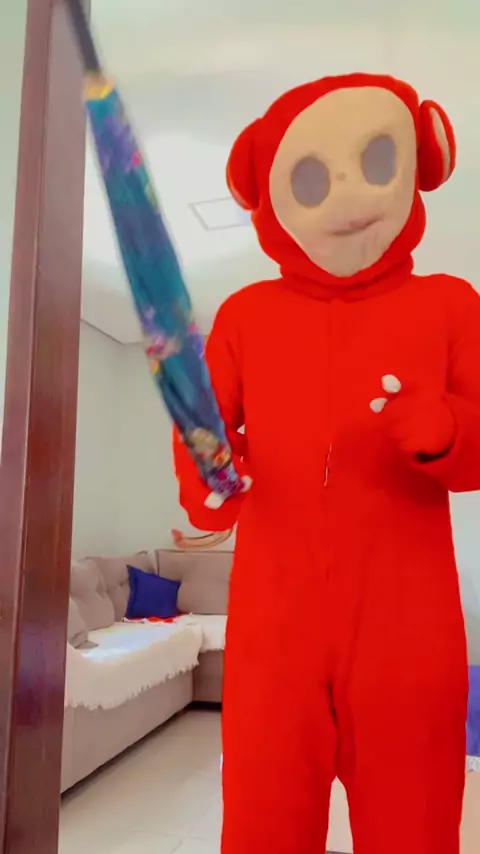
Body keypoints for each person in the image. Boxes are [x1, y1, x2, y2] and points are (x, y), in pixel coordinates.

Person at [173, 73, 480, 854]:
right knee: (263, 825)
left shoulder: (451, 305)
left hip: (409, 627)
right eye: (312, 179)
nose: (347, 193)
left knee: (415, 824)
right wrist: (211, 483)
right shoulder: (244, 316)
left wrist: (447, 427)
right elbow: (203, 441)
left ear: (422, 157)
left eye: (375, 161)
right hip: (275, 627)